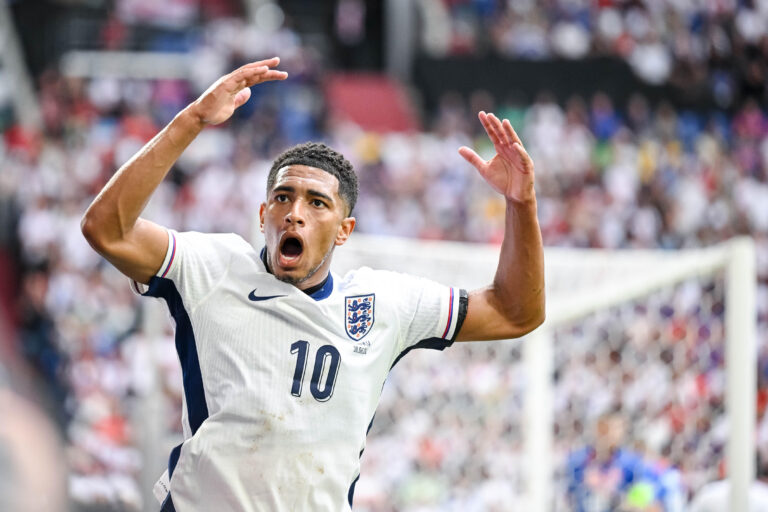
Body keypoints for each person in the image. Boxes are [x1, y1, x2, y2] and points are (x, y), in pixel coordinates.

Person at [80, 57, 545, 511]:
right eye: (283, 197)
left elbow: (515, 311)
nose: (294, 212)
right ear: (264, 216)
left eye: (317, 203)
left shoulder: (383, 304)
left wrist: (521, 204)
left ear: (345, 229)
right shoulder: (213, 266)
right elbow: (107, 229)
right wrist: (193, 119)